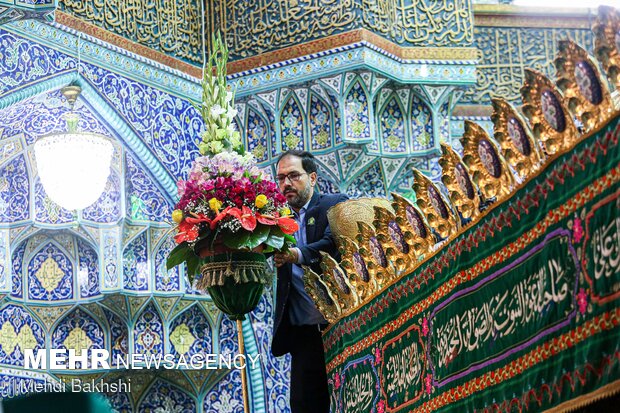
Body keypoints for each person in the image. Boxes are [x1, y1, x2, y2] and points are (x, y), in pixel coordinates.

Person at [271, 150, 348, 413]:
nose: (286, 184)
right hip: (303, 333)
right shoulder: (274, 221)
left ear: (312, 177)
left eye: (293, 175)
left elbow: (334, 244)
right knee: (304, 406)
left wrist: (296, 254)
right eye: (281, 178)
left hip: (338, 326)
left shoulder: (334, 205)